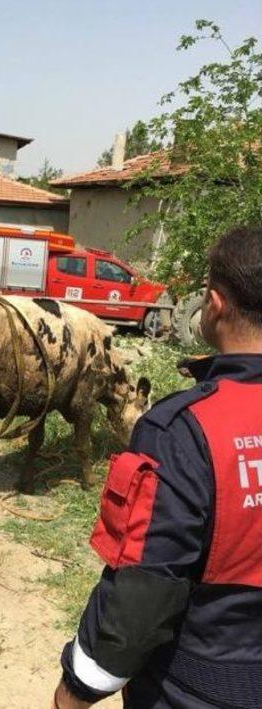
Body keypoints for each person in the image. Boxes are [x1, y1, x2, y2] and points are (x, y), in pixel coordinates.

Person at [52, 225, 262, 709]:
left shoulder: (184, 431)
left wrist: (77, 690)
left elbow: (143, 597)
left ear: (215, 305)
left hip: (201, 688)